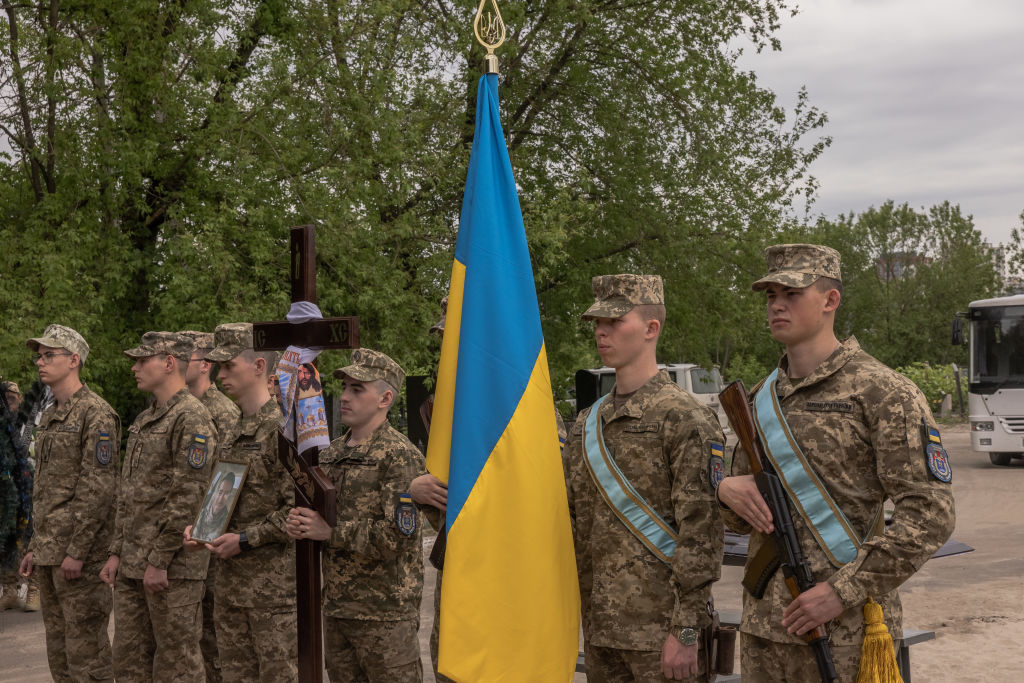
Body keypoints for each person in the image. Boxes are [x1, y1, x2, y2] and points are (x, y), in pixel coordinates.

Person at [715, 244, 956, 681]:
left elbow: (930, 515)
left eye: (791, 292)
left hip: (844, 635)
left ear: (830, 300)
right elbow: (737, 520)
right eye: (770, 294)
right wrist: (725, 490)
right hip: (765, 632)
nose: (777, 304)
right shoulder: (757, 399)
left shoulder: (884, 392)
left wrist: (840, 591)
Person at [563, 274, 725, 682]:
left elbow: (702, 534)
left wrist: (686, 632)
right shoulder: (587, 423)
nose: (602, 331)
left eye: (616, 321)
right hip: (601, 631)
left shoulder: (684, 417)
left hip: (665, 637)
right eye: (598, 322)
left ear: (652, 328)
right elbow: (571, 519)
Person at [286, 348, 424, 683]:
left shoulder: (400, 456)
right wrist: (300, 523)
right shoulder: (331, 453)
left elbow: (399, 537)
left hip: (385, 615)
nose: (344, 397)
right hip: (337, 610)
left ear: (385, 398)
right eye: (345, 387)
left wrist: (329, 531)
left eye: (356, 389)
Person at [100, 332, 217, 682]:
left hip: (172, 568)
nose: (135, 368)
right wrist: (116, 553)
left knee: (175, 664)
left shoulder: (191, 418)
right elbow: (129, 494)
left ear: (168, 363)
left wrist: (159, 559)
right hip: (134, 564)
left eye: (142, 360)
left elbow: (189, 495)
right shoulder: (144, 419)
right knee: (130, 661)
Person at [185, 322, 297, 682]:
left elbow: (299, 510)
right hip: (230, 587)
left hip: (272, 594)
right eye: (217, 365)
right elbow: (222, 495)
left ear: (260, 367)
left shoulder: (284, 430)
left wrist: (246, 539)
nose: (220, 374)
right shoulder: (233, 428)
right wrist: (203, 529)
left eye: (229, 365)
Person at [16, 325, 120, 680]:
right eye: (39, 356)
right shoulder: (49, 415)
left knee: (87, 657)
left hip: (81, 558)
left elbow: (99, 489)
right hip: (50, 552)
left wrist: (76, 550)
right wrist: (35, 545)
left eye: (49, 355)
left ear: (74, 360)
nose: (40, 363)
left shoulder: (96, 414)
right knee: (59, 655)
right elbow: (47, 490)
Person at [179, 329, 240, 683]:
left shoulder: (224, 413)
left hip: (213, 542)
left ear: (203, 365)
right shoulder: (176, 407)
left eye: (185, 354)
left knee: (215, 640)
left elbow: (228, 484)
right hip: (187, 540)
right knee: (192, 641)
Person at [192, 471, 237, 543]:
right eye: (220, 492)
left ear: (230, 496)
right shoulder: (202, 510)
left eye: (226, 493)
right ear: (215, 492)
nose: (221, 499)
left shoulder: (227, 519)